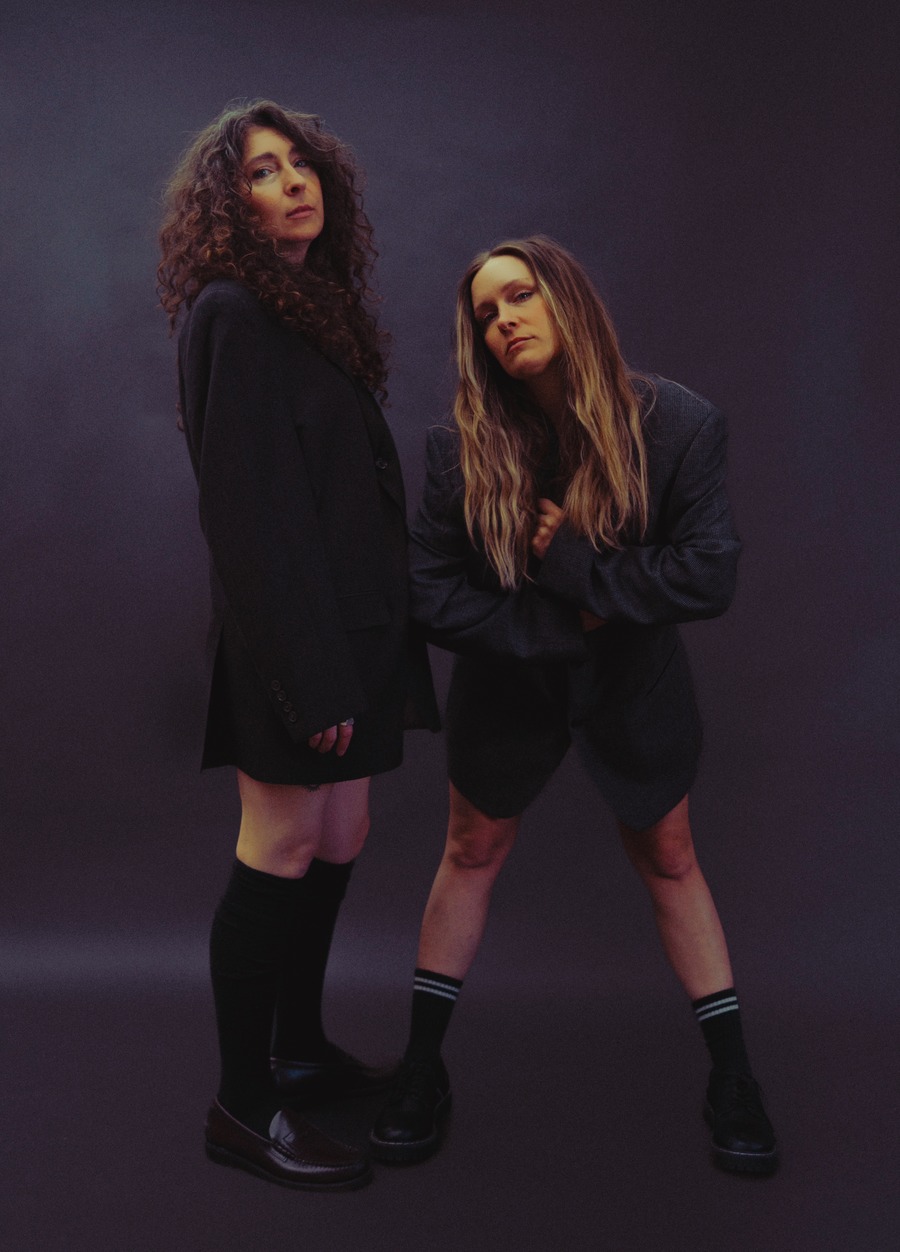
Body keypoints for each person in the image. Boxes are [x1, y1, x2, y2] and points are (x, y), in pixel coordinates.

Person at [370, 236, 778, 1175]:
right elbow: (427, 593)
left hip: (635, 682)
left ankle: (734, 1077)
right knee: (470, 850)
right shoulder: (457, 449)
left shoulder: (677, 425)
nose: (504, 320)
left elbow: (709, 573)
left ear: (567, 301)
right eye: (486, 313)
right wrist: (564, 621)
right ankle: (422, 1069)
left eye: (521, 296)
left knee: (671, 856)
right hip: (509, 680)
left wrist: (578, 568)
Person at [158, 99, 438, 1191]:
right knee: (278, 845)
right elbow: (248, 518)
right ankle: (243, 1104)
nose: (293, 181)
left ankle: (299, 1045)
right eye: (263, 172)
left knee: (341, 831)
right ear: (229, 206)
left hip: (358, 629)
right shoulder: (228, 312)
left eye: (300, 163)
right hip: (296, 641)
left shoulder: (310, 306)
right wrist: (311, 674)